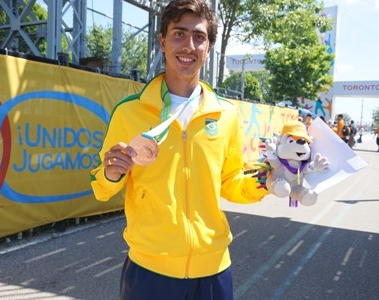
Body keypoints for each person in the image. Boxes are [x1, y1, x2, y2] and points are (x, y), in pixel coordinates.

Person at [90, 1, 269, 299]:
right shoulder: (129, 113)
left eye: (199, 37)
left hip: (213, 271)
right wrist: (111, 172)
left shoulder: (225, 115)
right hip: (149, 271)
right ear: (162, 40)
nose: (189, 45)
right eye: (179, 34)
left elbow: (232, 183)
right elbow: (101, 187)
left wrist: (270, 178)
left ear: (209, 47)